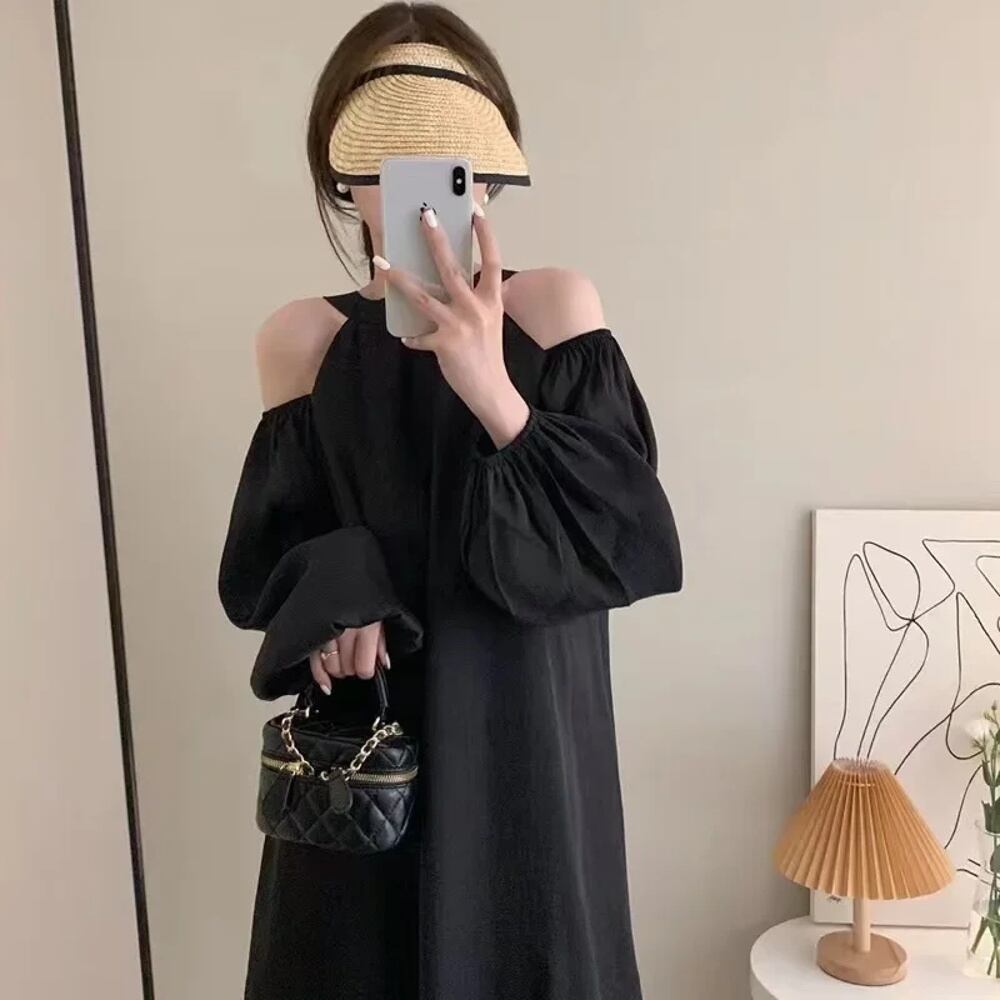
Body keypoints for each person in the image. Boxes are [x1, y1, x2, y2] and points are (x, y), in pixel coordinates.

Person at [218, 4, 682, 998]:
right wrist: (335, 597)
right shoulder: (300, 341)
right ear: (342, 173)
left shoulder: (555, 311)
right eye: (382, 157)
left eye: (442, 156)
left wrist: (492, 386)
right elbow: (273, 557)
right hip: (367, 757)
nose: (412, 189)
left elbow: (621, 541)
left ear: (486, 170)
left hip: (528, 741)